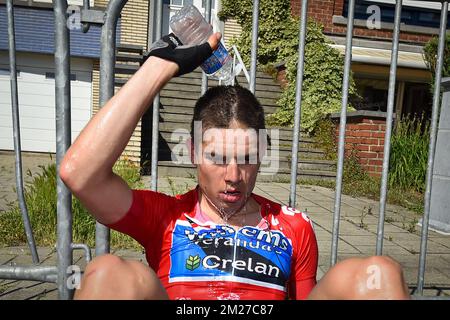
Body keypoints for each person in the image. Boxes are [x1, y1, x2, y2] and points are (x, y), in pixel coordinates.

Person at [59, 32, 410, 300]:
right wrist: (158, 68)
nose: (233, 176)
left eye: (246, 159)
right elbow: (79, 173)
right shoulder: (165, 216)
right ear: (194, 152)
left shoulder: (293, 226)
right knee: (107, 271)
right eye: (217, 158)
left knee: (380, 274)